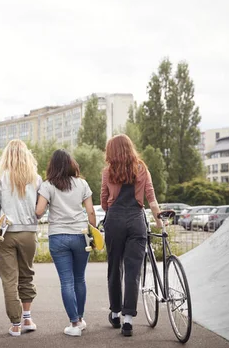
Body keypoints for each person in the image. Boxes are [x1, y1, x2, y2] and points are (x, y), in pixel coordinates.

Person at [100, 134, 162, 337]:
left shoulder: (108, 172)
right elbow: (151, 198)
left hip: (115, 220)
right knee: (133, 270)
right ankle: (128, 320)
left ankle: (115, 313)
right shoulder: (142, 168)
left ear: (111, 151)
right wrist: (160, 223)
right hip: (136, 220)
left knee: (114, 268)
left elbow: (103, 201)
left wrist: (111, 205)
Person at [0, 139, 41, 336]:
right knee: (27, 274)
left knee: (9, 279)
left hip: (4, 234)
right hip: (28, 233)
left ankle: (15, 324)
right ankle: (27, 318)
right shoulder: (36, 178)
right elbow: (41, 209)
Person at [35, 149, 95, 337]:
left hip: (58, 237)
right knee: (80, 278)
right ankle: (80, 319)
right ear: (71, 163)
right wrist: (93, 233)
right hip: (80, 235)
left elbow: (38, 212)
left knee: (67, 281)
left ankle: (74, 323)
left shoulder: (48, 185)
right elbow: (91, 212)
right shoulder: (82, 184)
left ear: (52, 165)